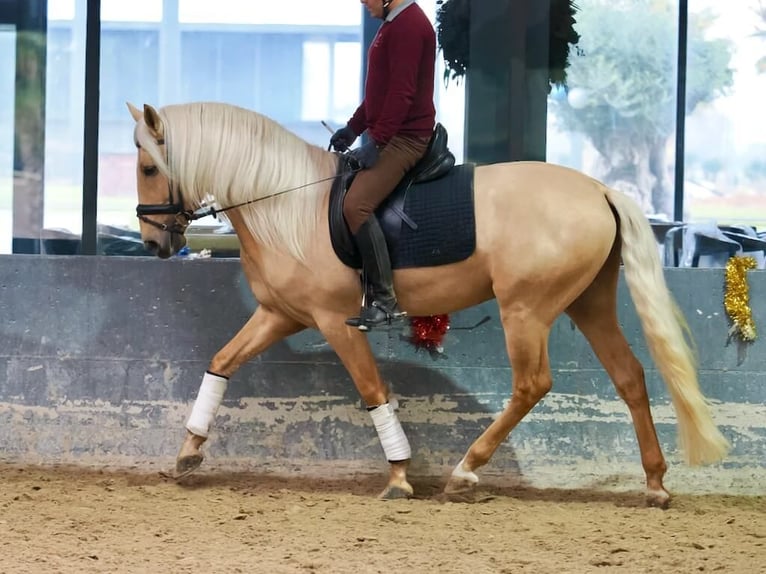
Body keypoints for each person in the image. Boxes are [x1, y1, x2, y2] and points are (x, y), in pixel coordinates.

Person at [330, 0, 437, 331]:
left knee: (356, 205)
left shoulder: (408, 26)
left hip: (406, 139)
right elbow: (379, 93)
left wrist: (376, 141)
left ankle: (385, 300)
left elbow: (402, 94)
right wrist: (354, 128)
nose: (362, 2)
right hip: (390, 133)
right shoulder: (393, 23)